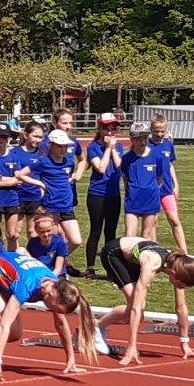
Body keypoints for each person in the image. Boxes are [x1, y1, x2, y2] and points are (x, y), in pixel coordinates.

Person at [0, 250, 100, 379]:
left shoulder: (55, 285)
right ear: (51, 295)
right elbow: (4, 325)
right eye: (54, 308)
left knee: (14, 331)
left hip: (2, 277)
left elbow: (60, 324)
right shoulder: (28, 285)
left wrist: (71, 359)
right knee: (12, 330)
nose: (52, 310)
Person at [96, 236, 194, 366]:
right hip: (114, 253)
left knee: (138, 312)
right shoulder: (151, 265)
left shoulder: (179, 266)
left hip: (134, 258)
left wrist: (184, 342)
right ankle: (96, 327)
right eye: (180, 286)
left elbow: (181, 307)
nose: (180, 288)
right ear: (173, 274)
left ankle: (95, 326)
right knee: (136, 307)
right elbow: (135, 308)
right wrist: (131, 346)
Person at [82, 113, 124, 278]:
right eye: (106, 129)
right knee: (96, 230)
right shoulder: (93, 147)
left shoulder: (118, 147)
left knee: (111, 232)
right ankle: (90, 267)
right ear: (99, 129)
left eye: (113, 129)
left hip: (114, 194)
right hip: (97, 194)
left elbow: (120, 168)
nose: (110, 132)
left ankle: (111, 268)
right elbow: (101, 168)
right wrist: (107, 149)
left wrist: (113, 149)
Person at [120, 126, 165, 240]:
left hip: (150, 199)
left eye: (145, 138)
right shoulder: (127, 158)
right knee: (130, 236)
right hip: (133, 200)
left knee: (146, 235)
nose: (142, 141)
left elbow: (159, 179)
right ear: (132, 139)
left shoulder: (157, 156)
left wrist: (152, 190)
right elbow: (125, 179)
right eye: (138, 139)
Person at [150, 115, 187, 253]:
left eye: (162, 131)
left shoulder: (168, 144)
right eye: (156, 131)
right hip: (152, 190)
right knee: (152, 221)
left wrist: (175, 185)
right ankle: (154, 250)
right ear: (151, 129)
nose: (159, 134)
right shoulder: (146, 145)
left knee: (174, 220)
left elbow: (170, 165)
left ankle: (184, 251)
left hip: (167, 190)